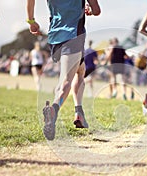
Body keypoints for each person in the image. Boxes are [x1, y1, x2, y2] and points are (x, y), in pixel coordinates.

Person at [26, 0, 101, 140]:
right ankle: (54, 109)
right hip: (73, 35)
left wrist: (31, 21)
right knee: (66, 79)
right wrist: (89, 8)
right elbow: (96, 10)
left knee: (80, 70)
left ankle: (79, 111)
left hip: (55, 37)